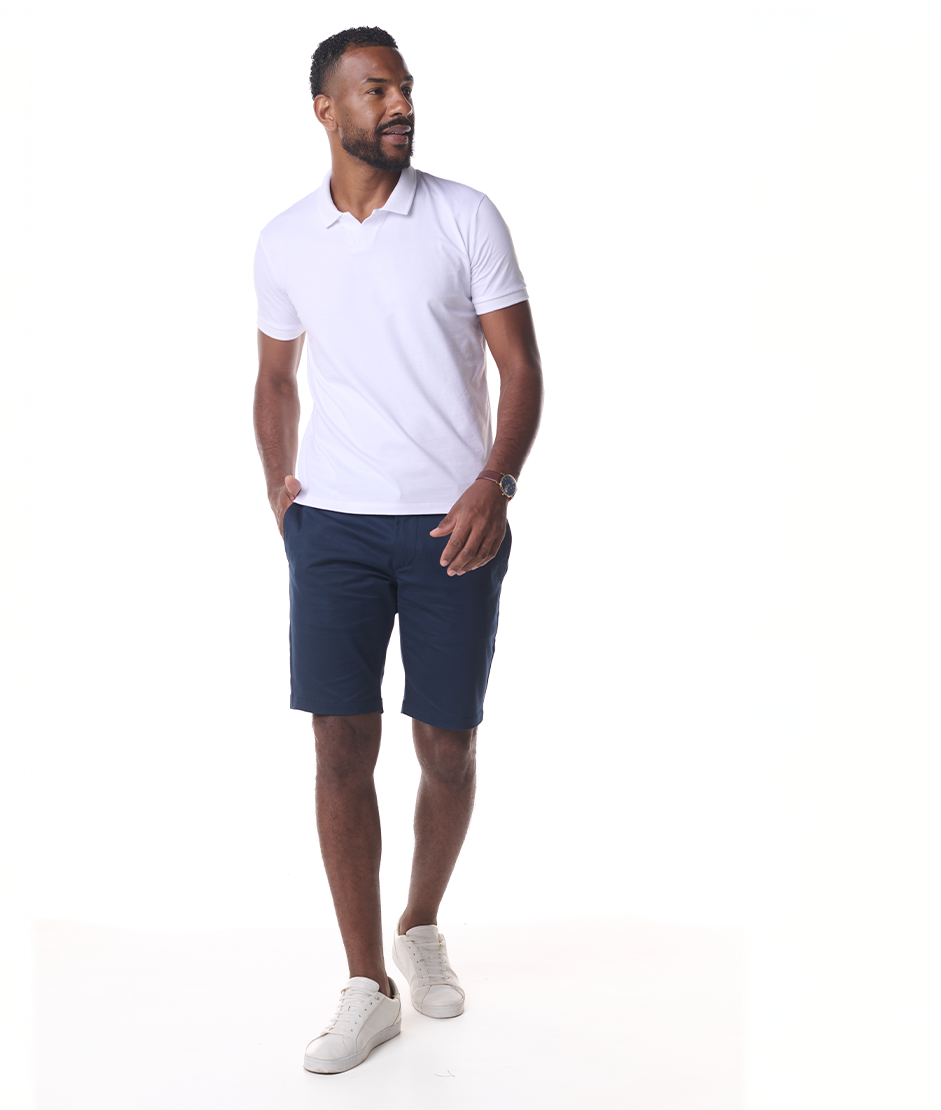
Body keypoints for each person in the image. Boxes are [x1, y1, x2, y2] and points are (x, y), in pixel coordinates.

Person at [252, 26, 543, 1074]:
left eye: (405, 88)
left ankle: (419, 923)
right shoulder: (286, 239)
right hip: (331, 527)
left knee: (446, 745)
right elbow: (275, 377)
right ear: (325, 109)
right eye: (376, 90)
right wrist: (281, 493)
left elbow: (521, 369)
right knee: (339, 748)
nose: (400, 105)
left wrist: (494, 485)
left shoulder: (464, 217)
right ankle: (366, 984)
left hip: (452, 525)